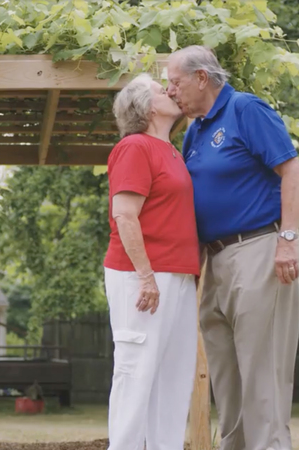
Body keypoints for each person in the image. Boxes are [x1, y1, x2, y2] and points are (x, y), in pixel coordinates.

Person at [167, 45, 299, 450]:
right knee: (226, 376)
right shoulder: (196, 128)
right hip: (215, 260)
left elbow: (292, 167)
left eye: (175, 82)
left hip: (259, 250)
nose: (171, 92)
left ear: (202, 78)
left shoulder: (246, 109)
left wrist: (289, 239)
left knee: (262, 375)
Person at [103, 73, 200, 450]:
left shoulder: (172, 150)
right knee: (136, 373)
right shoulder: (135, 147)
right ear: (145, 106)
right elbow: (125, 215)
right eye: (163, 90)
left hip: (177, 275)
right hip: (141, 277)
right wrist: (146, 277)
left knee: (174, 378)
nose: (171, 91)